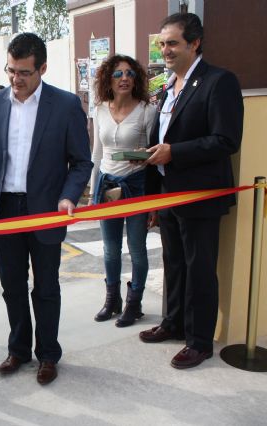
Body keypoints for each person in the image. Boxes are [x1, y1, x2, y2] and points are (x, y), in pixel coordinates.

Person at [0, 33, 92, 385]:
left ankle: (48, 354)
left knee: (47, 286)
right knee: (12, 285)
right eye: (11, 70)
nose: (15, 79)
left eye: (24, 72)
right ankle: (18, 350)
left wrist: (69, 196)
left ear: (43, 69)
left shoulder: (65, 105)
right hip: (5, 209)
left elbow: (81, 162)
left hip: (47, 210)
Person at [139, 13, 243, 369]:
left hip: (201, 195)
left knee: (200, 268)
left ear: (195, 43)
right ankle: (174, 323)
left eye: (172, 43)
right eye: (162, 44)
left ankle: (199, 342)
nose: (165, 50)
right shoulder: (167, 86)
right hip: (168, 191)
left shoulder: (218, 82)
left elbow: (225, 140)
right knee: (175, 264)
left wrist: (175, 152)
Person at [88, 55, 156, 327]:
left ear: (136, 79)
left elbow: (155, 155)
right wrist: (93, 192)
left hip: (137, 184)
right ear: (108, 79)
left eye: (130, 73)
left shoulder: (147, 110)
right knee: (110, 249)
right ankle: (112, 299)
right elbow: (96, 153)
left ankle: (134, 303)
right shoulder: (100, 109)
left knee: (137, 248)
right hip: (108, 184)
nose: (125, 78)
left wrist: (146, 157)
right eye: (118, 74)